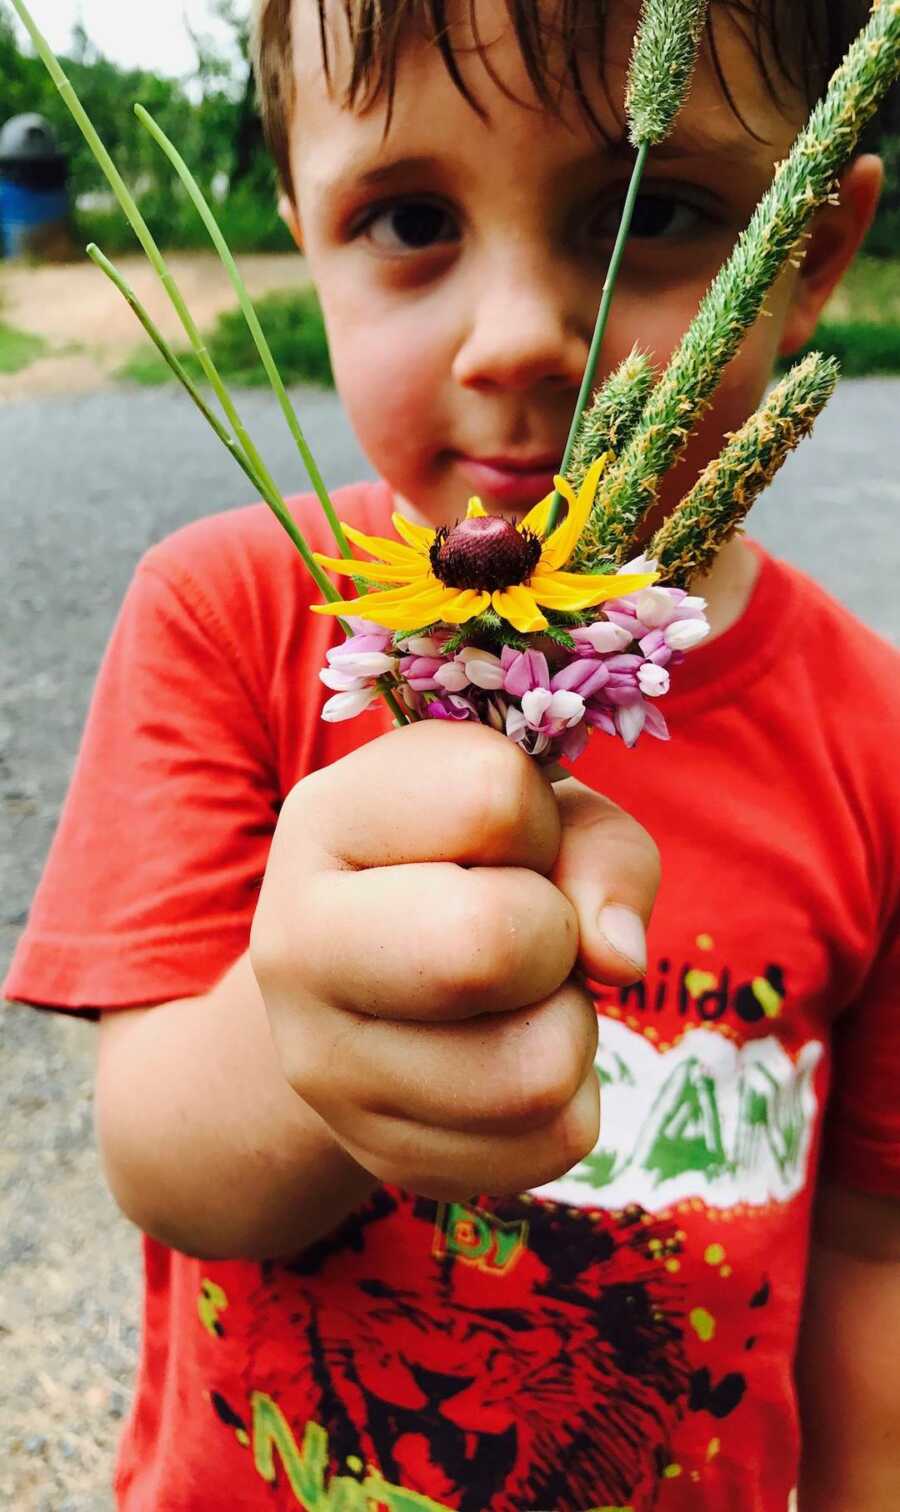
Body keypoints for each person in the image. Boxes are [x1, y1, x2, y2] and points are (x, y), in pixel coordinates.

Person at [4, 0, 899, 1506]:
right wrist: (311, 1050)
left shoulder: (875, 735)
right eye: (411, 217)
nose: (519, 339)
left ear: (808, 248)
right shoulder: (234, 615)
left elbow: (873, 1256)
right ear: (297, 224)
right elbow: (158, 1158)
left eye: (653, 214)